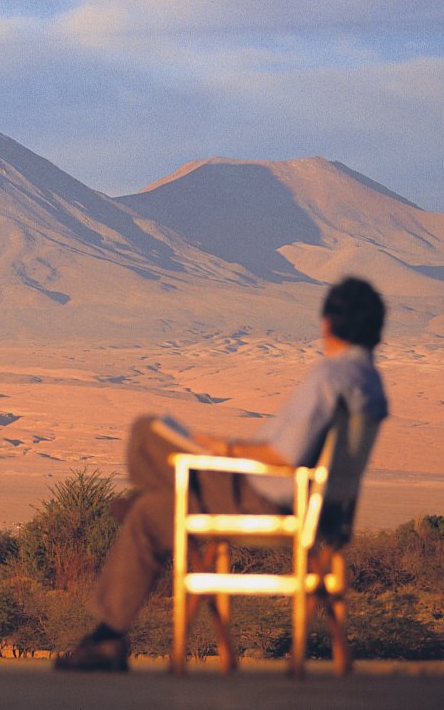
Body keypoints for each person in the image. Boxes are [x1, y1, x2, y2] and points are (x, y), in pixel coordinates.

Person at [55, 276, 389, 671]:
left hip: (267, 498)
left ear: (328, 324)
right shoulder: (371, 382)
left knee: (147, 432)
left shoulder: (330, 377)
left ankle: (110, 628)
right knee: (152, 514)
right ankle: (106, 636)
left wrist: (223, 449)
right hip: (326, 510)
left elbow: (286, 455)